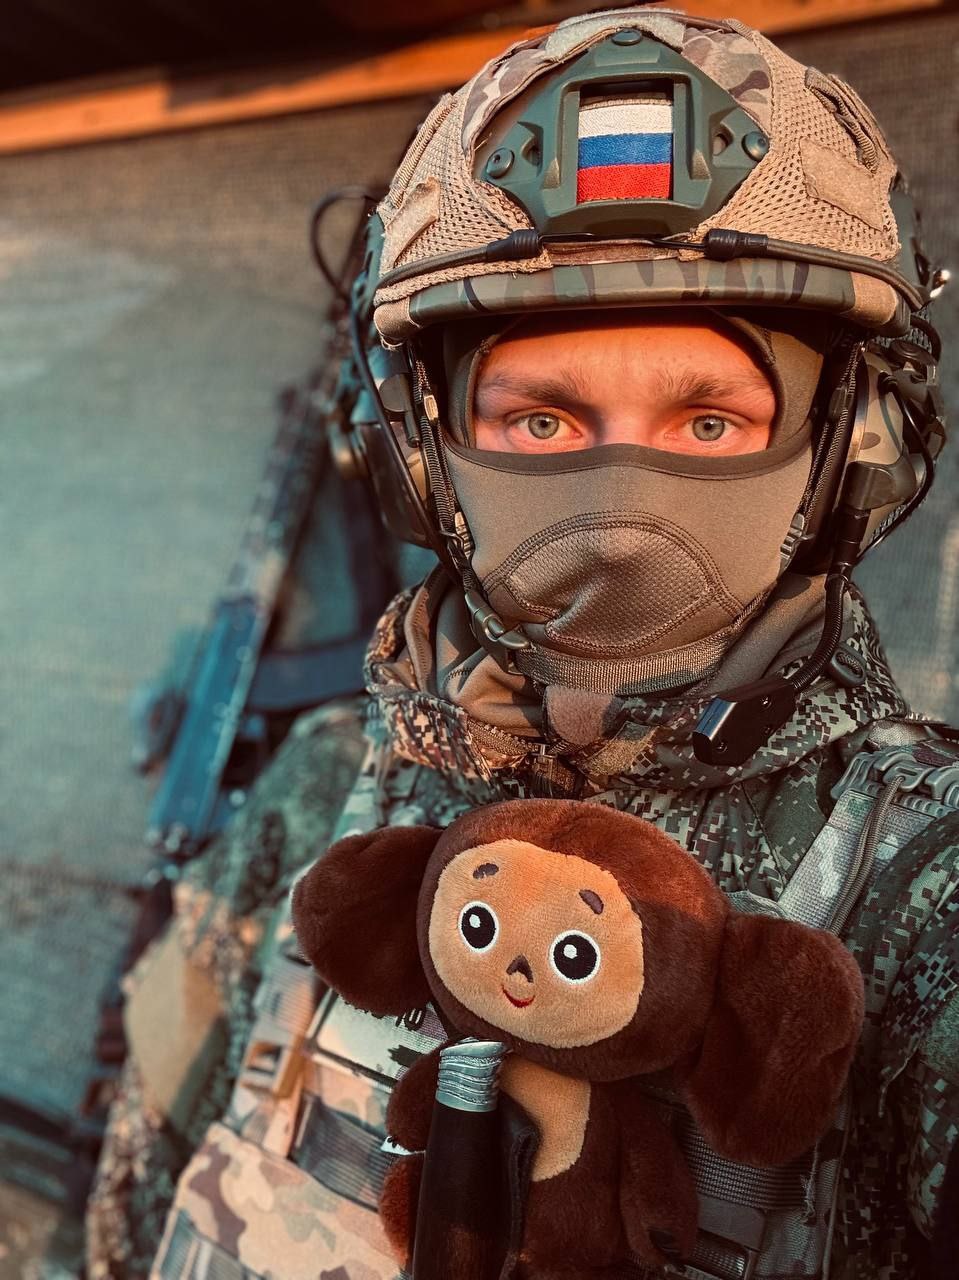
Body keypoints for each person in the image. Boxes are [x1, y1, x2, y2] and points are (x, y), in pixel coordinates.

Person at [86, 7, 956, 1280]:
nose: (618, 514)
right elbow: (136, 1190)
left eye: (707, 422)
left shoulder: (926, 887)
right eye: (541, 421)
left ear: (853, 447)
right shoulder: (328, 784)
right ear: (419, 457)